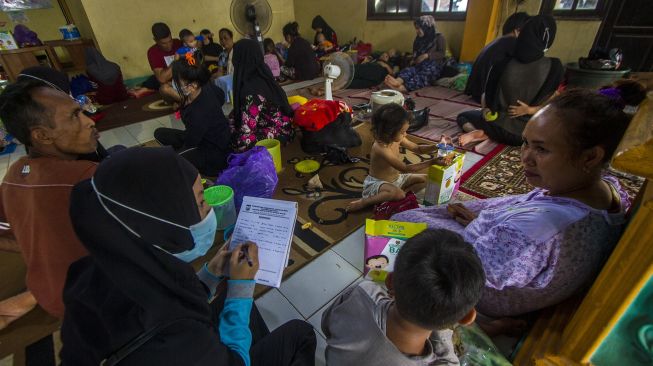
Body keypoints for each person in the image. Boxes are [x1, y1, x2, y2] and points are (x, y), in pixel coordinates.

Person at [60, 147, 317, 365]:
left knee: (239, 311)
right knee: (299, 333)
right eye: (200, 202)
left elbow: (173, 294)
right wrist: (241, 286)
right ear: (162, 221)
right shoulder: (173, 334)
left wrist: (211, 273)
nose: (208, 212)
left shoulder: (97, 268)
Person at [394, 89, 633, 319]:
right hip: (503, 239)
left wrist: (477, 228)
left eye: (541, 149)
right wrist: (484, 222)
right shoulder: (606, 188)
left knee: (403, 219)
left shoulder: (537, 233)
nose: (525, 157)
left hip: (483, 289)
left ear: (590, 157)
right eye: (526, 143)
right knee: (446, 210)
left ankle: (481, 321)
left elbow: (471, 269)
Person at [0, 76, 100, 320]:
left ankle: (32, 294)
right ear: (42, 136)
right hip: (92, 299)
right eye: (75, 115)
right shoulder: (88, 178)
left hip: (47, 292)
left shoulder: (12, 175)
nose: (88, 121)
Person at [322, 229, 485, 366]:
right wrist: (443, 322)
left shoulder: (362, 292)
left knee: (302, 331)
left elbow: (326, 322)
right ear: (466, 318)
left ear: (390, 282)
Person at [457, 15, 563, 147]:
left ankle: (479, 132)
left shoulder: (503, 63)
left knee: (463, 116)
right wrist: (529, 110)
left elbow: (488, 98)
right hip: (527, 135)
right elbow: (553, 106)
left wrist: (485, 111)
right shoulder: (554, 67)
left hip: (497, 125)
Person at [346, 104, 450, 212]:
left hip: (398, 179)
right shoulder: (380, 148)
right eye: (402, 132)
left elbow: (418, 148)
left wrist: (436, 146)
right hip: (378, 183)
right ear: (388, 132)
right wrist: (432, 162)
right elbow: (404, 167)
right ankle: (365, 201)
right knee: (398, 194)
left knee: (429, 179)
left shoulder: (397, 138)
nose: (405, 134)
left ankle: (398, 194)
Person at [154, 50, 232, 177]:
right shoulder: (204, 85)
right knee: (160, 133)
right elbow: (221, 96)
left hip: (214, 155)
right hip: (208, 137)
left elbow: (191, 142)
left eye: (176, 81)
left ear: (192, 85)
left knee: (170, 163)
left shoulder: (198, 112)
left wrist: (181, 153)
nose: (174, 84)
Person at [232, 39, 294, 151]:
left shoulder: (252, 91)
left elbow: (245, 132)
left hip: (281, 132)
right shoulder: (261, 73)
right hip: (281, 124)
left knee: (240, 141)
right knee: (231, 122)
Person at [464, 12, 531, 103]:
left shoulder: (498, 41)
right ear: (517, 31)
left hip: (475, 91)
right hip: (485, 96)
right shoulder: (512, 43)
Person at [385, 16, 446, 93]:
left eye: (418, 28)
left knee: (423, 75)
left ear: (426, 27)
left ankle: (403, 88)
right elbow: (415, 52)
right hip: (420, 64)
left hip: (433, 65)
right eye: (416, 29)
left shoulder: (439, 37)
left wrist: (426, 55)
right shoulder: (418, 38)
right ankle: (398, 81)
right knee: (409, 70)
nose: (417, 31)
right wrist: (414, 59)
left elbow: (442, 53)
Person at [145, 22, 182, 101]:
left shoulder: (178, 43)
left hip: (185, 80)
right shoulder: (153, 52)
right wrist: (175, 61)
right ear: (155, 40)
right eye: (164, 43)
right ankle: (186, 101)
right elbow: (162, 78)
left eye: (170, 41)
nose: (169, 45)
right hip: (171, 85)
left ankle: (184, 101)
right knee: (164, 89)